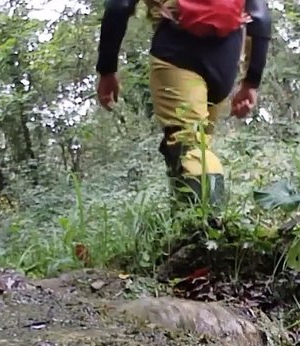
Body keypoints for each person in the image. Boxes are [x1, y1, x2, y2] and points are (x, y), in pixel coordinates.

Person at [95, 0, 271, 211]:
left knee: (188, 146)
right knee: (195, 146)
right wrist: (251, 82)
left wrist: (107, 69)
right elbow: (260, 17)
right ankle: (186, 226)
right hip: (226, 59)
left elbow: (119, 6)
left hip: (177, 52)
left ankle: (207, 230)